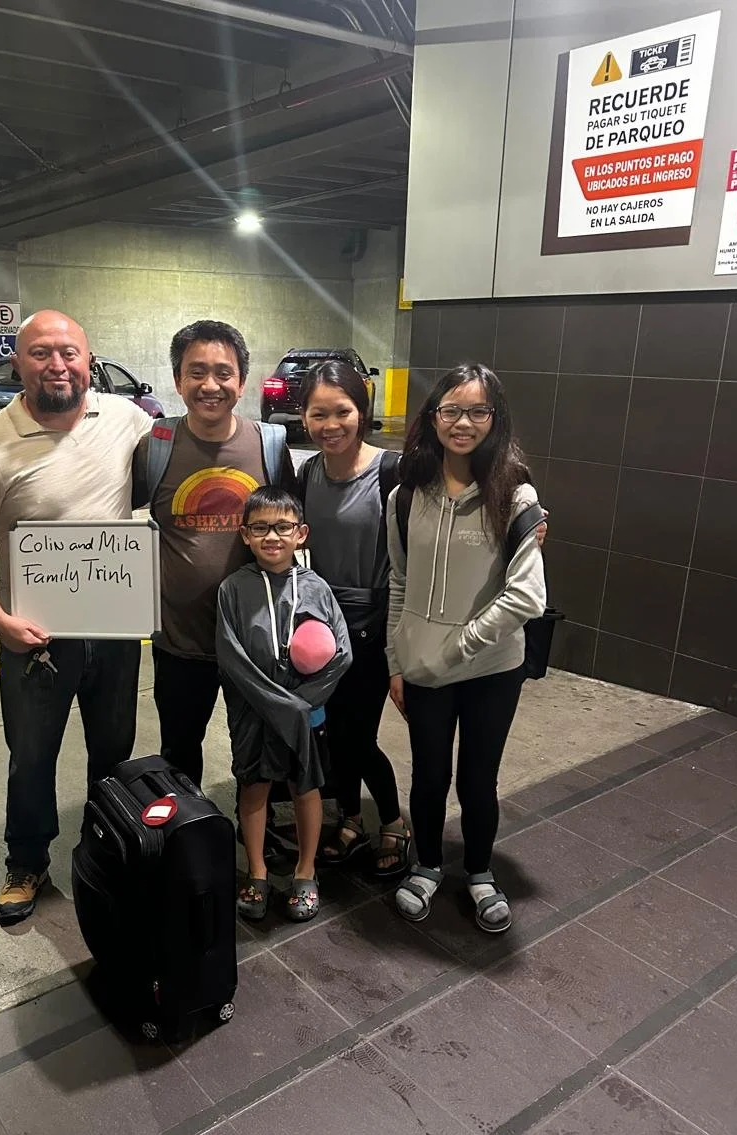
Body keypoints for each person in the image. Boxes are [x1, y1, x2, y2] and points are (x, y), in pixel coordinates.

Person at [0, 310, 152, 925]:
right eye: (40, 354)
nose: (57, 366)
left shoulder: (126, 419)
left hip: (113, 628)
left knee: (113, 753)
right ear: (17, 364)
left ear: (89, 361)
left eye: (69, 353)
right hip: (34, 637)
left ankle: (106, 847)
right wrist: (0, 623)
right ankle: (26, 862)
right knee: (31, 756)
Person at [386, 362, 546, 934]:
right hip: (422, 667)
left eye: (478, 411)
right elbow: (399, 585)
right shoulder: (406, 496)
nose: (463, 422)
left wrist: (460, 646)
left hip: (492, 669)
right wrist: (397, 661)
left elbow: (528, 595)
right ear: (432, 418)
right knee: (429, 776)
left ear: (494, 419)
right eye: (451, 410)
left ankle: (479, 873)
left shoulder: (516, 494)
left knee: (478, 779)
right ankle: (427, 865)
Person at [132, 320, 296, 789]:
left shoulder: (269, 445)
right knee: (180, 753)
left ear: (241, 382)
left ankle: (263, 845)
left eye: (223, 373)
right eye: (196, 372)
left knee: (263, 748)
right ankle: (190, 840)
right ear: (179, 380)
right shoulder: (155, 447)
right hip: (180, 643)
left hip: (258, 640)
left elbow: (289, 528)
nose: (210, 385)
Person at [296, 360, 411, 878]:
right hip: (321, 626)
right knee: (328, 733)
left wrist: (527, 512)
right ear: (304, 418)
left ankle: (392, 819)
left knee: (357, 737)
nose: (331, 424)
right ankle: (348, 817)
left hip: (373, 624)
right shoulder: (307, 474)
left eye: (342, 411)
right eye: (319, 414)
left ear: (362, 412)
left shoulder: (392, 471)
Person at [216, 486, 351, 922]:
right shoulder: (233, 590)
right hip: (253, 712)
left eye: (283, 527)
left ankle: (305, 871)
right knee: (253, 786)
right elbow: (230, 656)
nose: (271, 537)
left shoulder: (317, 588)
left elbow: (342, 654)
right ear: (244, 535)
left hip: (304, 710)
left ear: (301, 533)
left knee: (304, 787)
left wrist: (301, 703)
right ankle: (256, 872)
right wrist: (277, 705)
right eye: (260, 528)